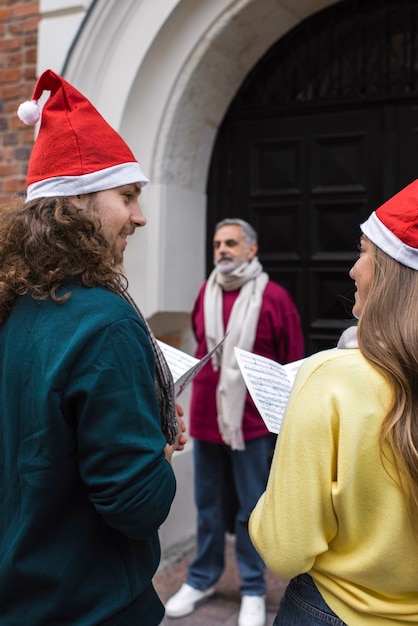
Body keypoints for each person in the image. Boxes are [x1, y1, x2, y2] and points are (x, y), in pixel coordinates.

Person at [0, 69, 186, 626]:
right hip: (92, 604)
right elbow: (136, 505)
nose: (140, 216)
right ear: (75, 203)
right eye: (127, 196)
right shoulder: (104, 321)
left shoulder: (13, 303)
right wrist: (161, 449)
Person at [249, 180, 418, 625]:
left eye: (364, 252)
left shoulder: (330, 378)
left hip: (335, 610)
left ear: (391, 271)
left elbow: (285, 549)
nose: (353, 270)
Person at [166, 218, 304, 626]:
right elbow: (200, 340)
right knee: (207, 505)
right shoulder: (205, 293)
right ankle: (202, 578)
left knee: (251, 509)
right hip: (208, 417)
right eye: (217, 244)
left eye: (231, 243)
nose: (223, 250)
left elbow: (290, 360)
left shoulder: (275, 298)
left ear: (251, 249)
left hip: (252, 423)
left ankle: (252, 588)